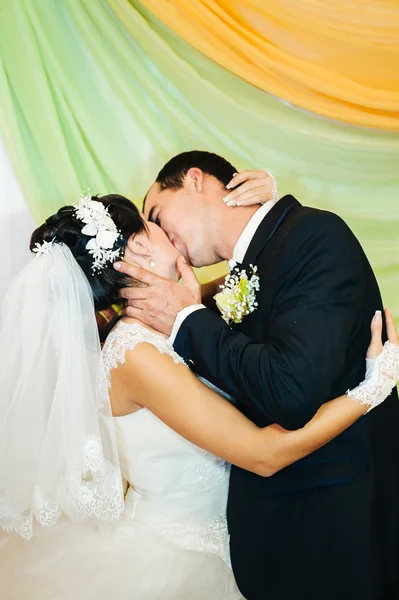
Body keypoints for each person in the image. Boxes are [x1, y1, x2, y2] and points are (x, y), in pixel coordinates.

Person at [0, 193, 398, 600]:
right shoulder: (135, 353)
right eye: (149, 220)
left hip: (238, 537)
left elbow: (252, 282)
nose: (164, 229)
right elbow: (263, 454)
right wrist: (371, 390)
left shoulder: (165, 323)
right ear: (138, 244)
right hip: (184, 560)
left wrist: (263, 203)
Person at [116, 151, 399, 600]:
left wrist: (188, 317)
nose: (157, 233)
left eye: (155, 214)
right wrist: (191, 309)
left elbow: (289, 392)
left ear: (195, 180)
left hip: (332, 529)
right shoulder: (241, 270)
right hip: (260, 535)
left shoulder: (313, 236)